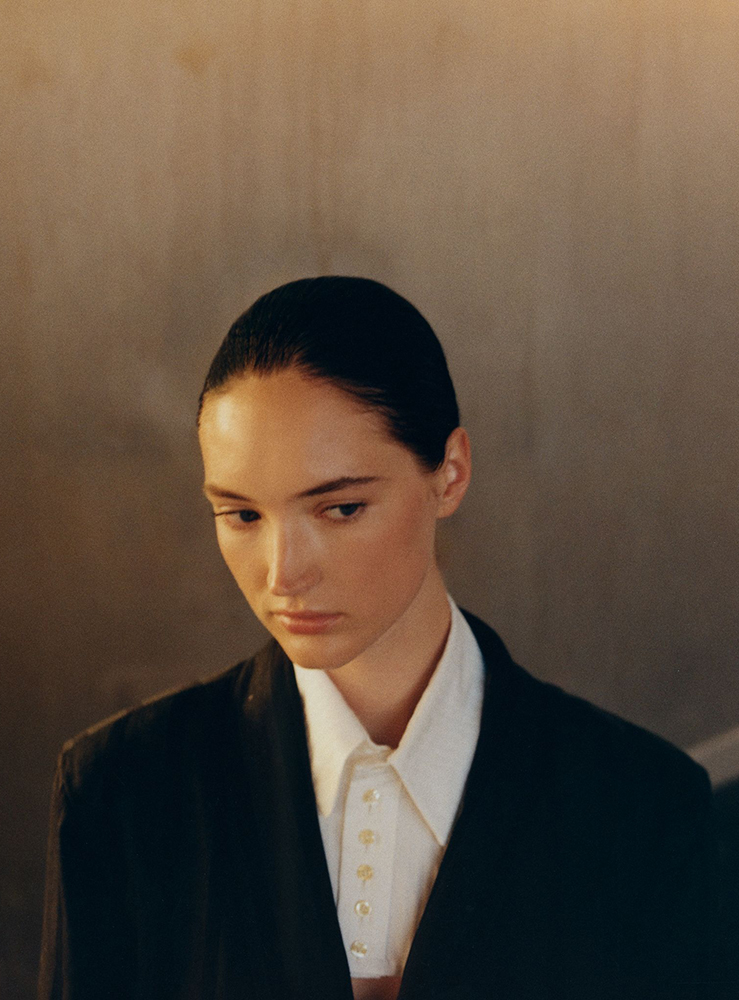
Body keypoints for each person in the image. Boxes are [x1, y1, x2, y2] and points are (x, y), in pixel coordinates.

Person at [38, 277, 731, 999]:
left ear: (450, 474)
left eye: (340, 508)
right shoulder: (121, 792)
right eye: (242, 516)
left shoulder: (642, 806)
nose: (283, 573)